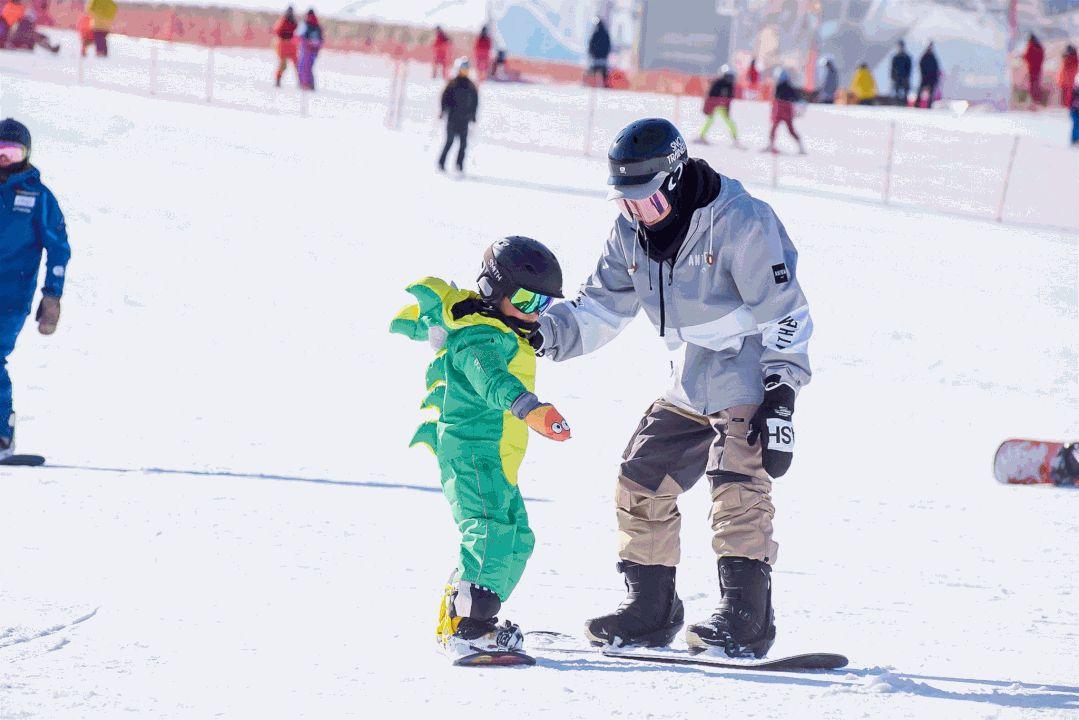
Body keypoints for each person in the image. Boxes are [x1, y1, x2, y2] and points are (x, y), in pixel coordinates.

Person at [528, 118, 813, 658]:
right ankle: (651, 608)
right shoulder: (630, 234)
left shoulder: (741, 222)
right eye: (625, 203)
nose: (638, 215)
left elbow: (786, 314)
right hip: (691, 373)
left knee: (737, 480)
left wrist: (781, 395)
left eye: (648, 202)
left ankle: (746, 616)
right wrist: (543, 332)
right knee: (641, 475)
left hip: (750, 367)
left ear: (676, 180)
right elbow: (599, 307)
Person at [390, 236, 571, 660]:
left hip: (497, 458)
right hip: (472, 452)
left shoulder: (508, 333)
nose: (533, 313)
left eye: (542, 304)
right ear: (494, 290)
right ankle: (471, 626)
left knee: (518, 538)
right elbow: (491, 380)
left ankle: (467, 607)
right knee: (488, 530)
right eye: (525, 300)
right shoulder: (478, 338)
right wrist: (529, 408)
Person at [0, 119, 70, 461]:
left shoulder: (38, 197)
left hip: (11, 297)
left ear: (26, 154)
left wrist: (52, 294)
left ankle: (2, 436)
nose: (5, 159)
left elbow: (58, 247)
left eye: (12, 152)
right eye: (0, 151)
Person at [437, 57, 478, 174]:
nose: (464, 72)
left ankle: (459, 165)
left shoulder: (471, 86)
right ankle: (441, 163)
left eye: (466, 70)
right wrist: (443, 110)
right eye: (462, 69)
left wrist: (473, 115)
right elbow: (444, 98)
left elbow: (475, 101)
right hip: (453, 118)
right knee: (449, 141)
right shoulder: (452, 83)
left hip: (464, 120)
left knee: (463, 144)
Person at [698, 65, 741, 147]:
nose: (730, 78)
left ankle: (735, 138)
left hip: (722, 106)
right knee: (710, 121)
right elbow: (711, 96)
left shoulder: (730, 85)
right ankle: (701, 136)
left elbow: (729, 97)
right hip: (716, 105)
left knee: (728, 122)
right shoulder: (718, 83)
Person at [767, 68, 805, 154]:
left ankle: (771, 145)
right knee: (790, 130)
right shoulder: (790, 86)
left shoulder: (779, 86)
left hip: (781, 111)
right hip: (787, 111)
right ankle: (801, 147)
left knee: (774, 128)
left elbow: (776, 100)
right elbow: (796, 98)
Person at [295, 8, 321, 91]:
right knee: (309, 67)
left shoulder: (305, 23)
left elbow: (298, 34)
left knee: (303, 67)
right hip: (314, 50)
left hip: (306, 49)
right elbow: (321, 39)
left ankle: (305, 84)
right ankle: (310, 84)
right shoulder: (317, 25)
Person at [272, 6, 298, 88]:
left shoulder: (291, 21)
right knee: (284, 64)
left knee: (295, 64)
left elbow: (277, 30)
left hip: (289, 44)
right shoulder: (285, 21)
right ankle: (278, 80)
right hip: (284, 44)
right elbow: (277, 31)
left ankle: (301, 82)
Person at [586, 17, 611, 88]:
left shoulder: (596, 34)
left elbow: (591, 45)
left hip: (596, 57)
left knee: (593, 71)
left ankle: (589, 84)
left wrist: (592, 53)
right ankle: (605, 85)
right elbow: (608, 46)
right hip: (602, 57)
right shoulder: (605, 34)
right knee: (603, 72)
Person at [1023, 33, 1044, 106]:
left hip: (1032, 69)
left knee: (1032, 86)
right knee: (1037, 85)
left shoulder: (1031, 46)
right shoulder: (1039, 47)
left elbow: (1027, 56)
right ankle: (1037, 102)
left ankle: (1034, 102)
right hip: (1038, 69)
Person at [917, 42, 940, 109]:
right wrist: (924, 74)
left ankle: (929, 106)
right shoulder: (924, 56)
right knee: (920, 92)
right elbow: (921, 65)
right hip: (925, 77)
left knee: (931, 94)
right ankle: (917, 105)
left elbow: (936, 68)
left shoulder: (933, 57)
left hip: (932, 78)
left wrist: (935, 78)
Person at [1059, 44, 1077, 108]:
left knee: (1068, 95)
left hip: (1068, 80)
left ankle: (1068, 106)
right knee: (1069, 95)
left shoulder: (1068, 59)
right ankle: (1068, 106)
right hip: (1070, 80)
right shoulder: (1075, 59)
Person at [1070, 77, 1079, 147]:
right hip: (1075, 111)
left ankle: (1076, 139)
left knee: (1076, 125)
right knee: (1076, 125)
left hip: (1075, 110)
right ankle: (1074, 140)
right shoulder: (1075, 91)